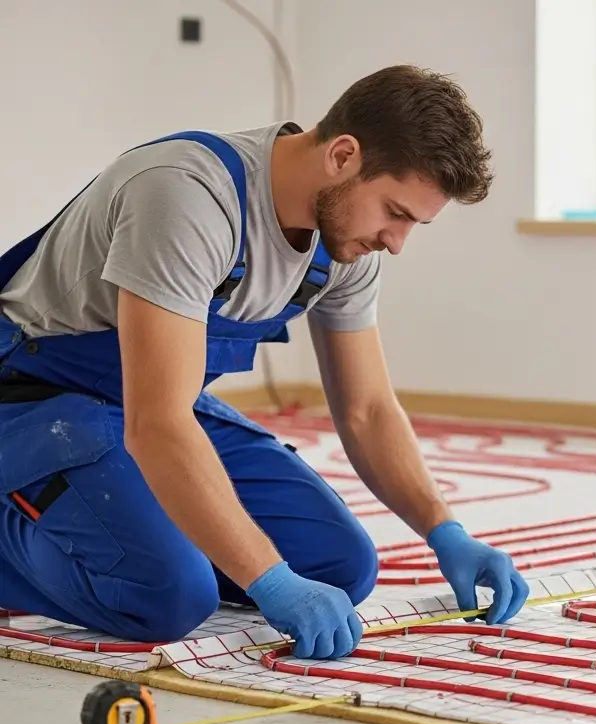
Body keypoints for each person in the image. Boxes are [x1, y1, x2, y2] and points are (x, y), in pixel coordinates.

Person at [0, 64, 529, 660]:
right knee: (168, 596)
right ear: (343, 155)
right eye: (396, 212)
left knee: (340, 567)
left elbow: (367, 409)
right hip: (31, 402)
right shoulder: (188, 196)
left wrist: (445, 531)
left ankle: (119, 526)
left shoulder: (347, 244)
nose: (397, 241)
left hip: (143, 403)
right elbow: (159, 425)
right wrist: (268, 580)